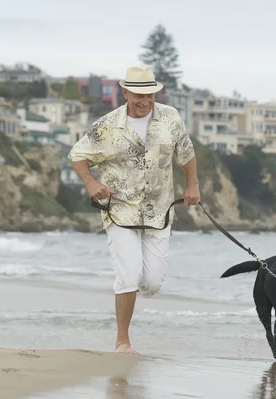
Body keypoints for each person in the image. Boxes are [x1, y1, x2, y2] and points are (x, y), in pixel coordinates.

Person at [68, 65, 200, 354]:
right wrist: (91, 183)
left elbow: (186, 153)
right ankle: (122, 341)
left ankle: (131, 288)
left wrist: (193, 186)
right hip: (120, 210)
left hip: (159, 210)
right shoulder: (106, 125)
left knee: (150, 282)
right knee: (128, 274)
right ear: (125, 92)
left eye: (150, 94)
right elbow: (77, 155)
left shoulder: (170, 118)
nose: (145, 100)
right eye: (138, 94)